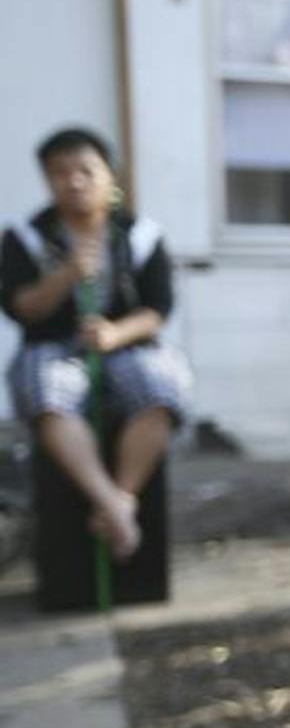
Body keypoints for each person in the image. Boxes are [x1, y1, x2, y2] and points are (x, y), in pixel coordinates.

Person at [2, 127, 192, 560]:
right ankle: (105, 498)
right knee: (45, 392)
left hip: (125, 343)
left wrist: (114, 334)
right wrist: (67, 274)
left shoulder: (140, 235)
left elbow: (157, 309)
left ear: (110, 176)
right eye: (60, 173)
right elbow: (20, 307)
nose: (74, 182)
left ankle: (121, 499)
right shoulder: (26, 236)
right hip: (54, 346)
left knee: (162, 385)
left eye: (86, 170)